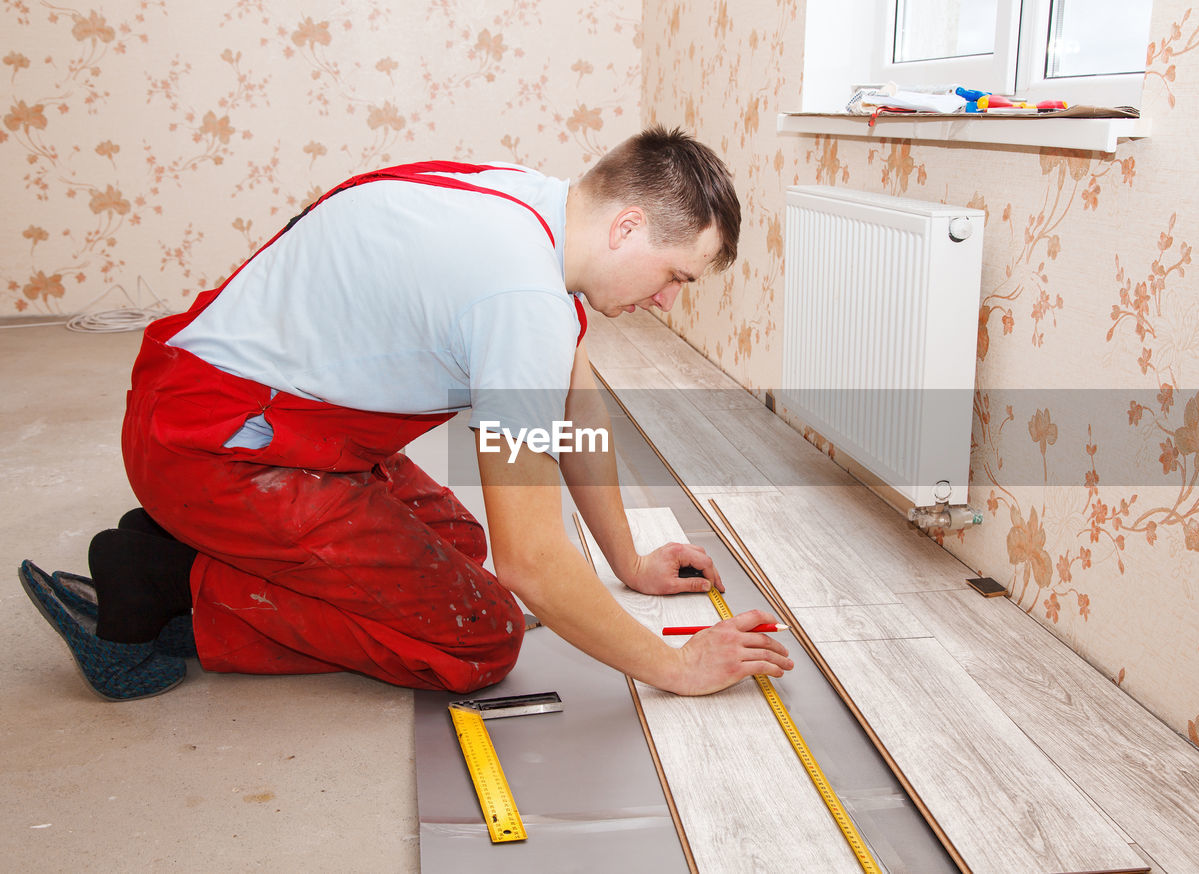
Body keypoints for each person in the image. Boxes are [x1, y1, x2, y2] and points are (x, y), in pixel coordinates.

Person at [18, 126, 794, 701]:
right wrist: (676, 666)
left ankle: (193, 541)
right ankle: (166, 580)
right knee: (480, 635)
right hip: (216, 444)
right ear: (627, 225)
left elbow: (573, 398)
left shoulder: (538, 208)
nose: (666, 298)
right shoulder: (521, 299)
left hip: (261, 412)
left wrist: (625, 559)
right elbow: (532, 562)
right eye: (675, 275)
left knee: (458, 544)